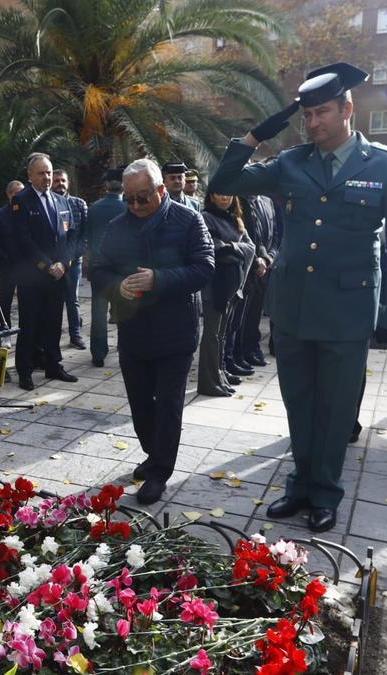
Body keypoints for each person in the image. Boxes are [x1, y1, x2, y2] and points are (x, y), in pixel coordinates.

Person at [208, 62, 387, 532]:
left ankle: (325, 491)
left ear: (348, 108)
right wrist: (254, 136)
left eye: (322, 112)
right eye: (306, 115)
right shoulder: (290, 162)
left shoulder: (385, 165)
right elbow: (224, 184)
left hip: (348, 311)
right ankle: (300, 484)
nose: (313, 123)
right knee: (299, 402)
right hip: (293, 307)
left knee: (337, 408)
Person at [90, 159, 214, 504]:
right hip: (134, 330)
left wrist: (158, 279)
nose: (134, 206)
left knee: (169, 405)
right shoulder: (117, 225)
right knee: (141, 404)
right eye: (128, 199)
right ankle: (153, 453)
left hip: (176, 331)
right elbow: (98, 269)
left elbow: (205, 268)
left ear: (161, 190)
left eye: (142, 198)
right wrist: (118, 287)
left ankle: (160, 472)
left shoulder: (189, 220)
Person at [12, 153, 81, 390]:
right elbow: (24, 240)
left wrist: (63, 264)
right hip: (33, 276)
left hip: (59, 275)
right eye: (41, 173)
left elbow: (71, 236)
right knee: (29, 324)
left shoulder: (62, 202)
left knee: (54, 322)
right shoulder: (21, 200)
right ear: (30, 176)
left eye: (49, 172)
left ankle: (53, 364)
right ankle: (25, 370)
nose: (47, 178)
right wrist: (46, 265)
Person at [197, 192, 256, 396]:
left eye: (229, 194)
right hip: (215, 285)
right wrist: (233, 250)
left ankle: (219, 373)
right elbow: (213, 247)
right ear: (211, 196)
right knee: (212, 334)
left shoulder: (236, 219)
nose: (225, 198)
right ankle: (208, 381)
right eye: (220, 194)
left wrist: (232, 248)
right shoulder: (206, 217)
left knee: (222, 333)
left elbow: (250, 246)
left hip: (233, 284)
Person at [233, 194, 280, 368]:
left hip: (265, 266)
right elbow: (245, 236)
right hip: (248, 267)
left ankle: (251, 350)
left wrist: (268, 259)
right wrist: (257, 261)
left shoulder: (267, 201)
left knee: (255, 314)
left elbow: (275, 233)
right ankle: (237, 354)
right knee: (241, 317)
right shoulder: (239, 201)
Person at [87, 169, 126, 367]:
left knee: (98, 312)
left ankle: (98, 353)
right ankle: (124, 348)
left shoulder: (93, 208)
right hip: (121, 269)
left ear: (105, 186)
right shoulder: (128, 207)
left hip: (98, 267)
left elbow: (89, 238)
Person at [52, 169, 89, 350]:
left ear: (69, 183)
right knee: (54, 300)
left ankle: (75, 334)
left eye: (63, 180)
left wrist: (71, 259)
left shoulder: (79, 204)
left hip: (74, 261)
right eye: (57, 180)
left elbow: (84, 236)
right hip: (53, 263)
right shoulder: (49, 204)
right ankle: (52, 338)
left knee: (72, 299)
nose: (60, 183)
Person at [0, 180, 24, 328]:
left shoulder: (28, 211)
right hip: (6, 265)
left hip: (25, 265)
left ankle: (26, 329)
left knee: (27, 300)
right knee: (5, 301)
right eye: (18, 193)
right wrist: (3, 255)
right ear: (9, 194)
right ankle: (6, 328)